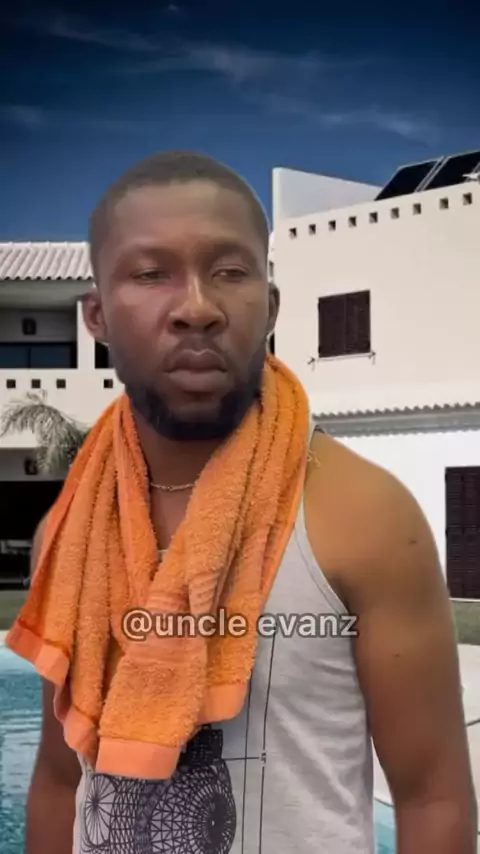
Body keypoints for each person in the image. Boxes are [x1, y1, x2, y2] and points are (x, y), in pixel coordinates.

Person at [7, 151, 476, 854]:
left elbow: (433, 798)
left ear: (271, 306)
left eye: (230, 271)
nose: (196, 307)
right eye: (151, 274)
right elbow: (58, 779)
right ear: (97, 316)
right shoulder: (71, 530)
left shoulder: (364, 516)